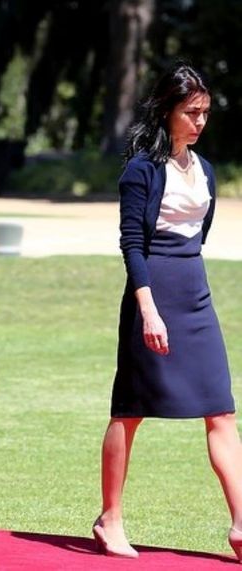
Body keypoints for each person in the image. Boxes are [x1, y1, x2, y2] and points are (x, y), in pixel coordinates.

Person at [94, 62, 242, 560]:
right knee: (130, 410)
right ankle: (109, 518)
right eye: (191, 112)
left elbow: (197, 238)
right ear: (167, 110)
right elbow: (133, 244)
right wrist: (149, 310)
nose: (200, 122)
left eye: (205, 113)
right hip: (151, 295)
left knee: (221, 409)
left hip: (195, 294)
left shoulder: (205, 169)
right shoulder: (141, 169)